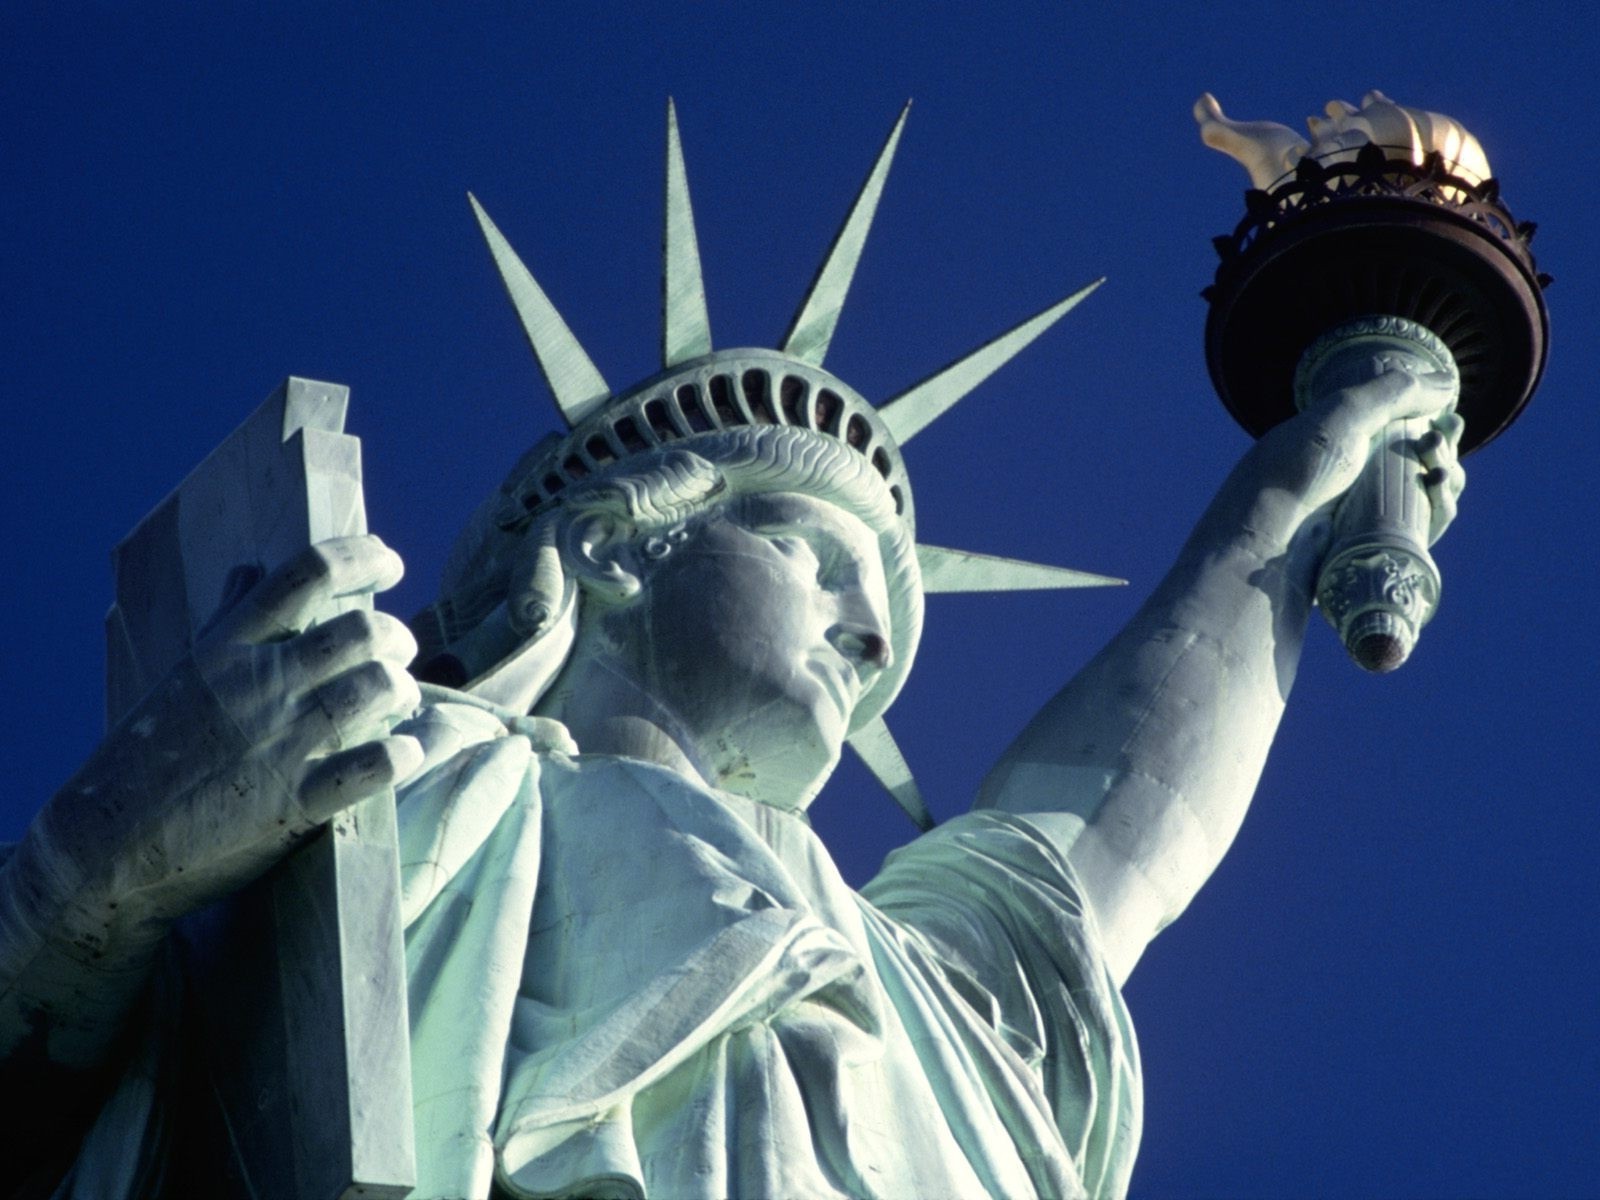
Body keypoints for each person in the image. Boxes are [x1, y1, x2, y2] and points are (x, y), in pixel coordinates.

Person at [0, 115, 1464, 1199]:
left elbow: (1114, 834)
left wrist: (1306, 472)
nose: (871, 628)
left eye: (874, 596)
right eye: (809, 554)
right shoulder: (378, 784)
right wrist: (103, 864)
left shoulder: (914, 978)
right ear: (621, 547)